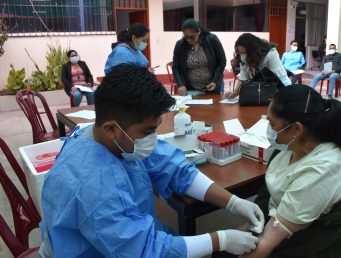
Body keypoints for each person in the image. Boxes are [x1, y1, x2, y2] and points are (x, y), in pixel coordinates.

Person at [39, 64, 264, 258]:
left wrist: (234, 202)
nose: (153, 138)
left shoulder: (112, 136)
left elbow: (174, 167)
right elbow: (144, 250)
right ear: (111, 129)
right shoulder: (94, 186)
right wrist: (220, 240)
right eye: (148, 130)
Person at [241, 85, 341, 258]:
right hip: (291, 226)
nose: (269, 130)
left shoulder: (322, 170)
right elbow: (268, 195)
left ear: (296, 129)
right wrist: (247, 226)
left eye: (271, 123)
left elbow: (267, 243)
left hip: (321, 245)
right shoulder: (296, 143)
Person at [224, 33, 291, 99]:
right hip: (262, 88)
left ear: (253, 50)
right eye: (240, 52)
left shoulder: (270, 53)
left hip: (281, 87)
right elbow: (243, 76)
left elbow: (277, 78)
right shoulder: (243, 54)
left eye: (244, 53)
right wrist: (235, 93)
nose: (243, 55)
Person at [172, 19, 226, 96]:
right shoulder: (180, 45)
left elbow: (222, 61)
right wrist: (180, 85)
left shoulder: (212, 40)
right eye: (186, 37)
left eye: (192, 37)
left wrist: (214, 81)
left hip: (212, 87)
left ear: (199, 32)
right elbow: (175, 67)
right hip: (190, 89)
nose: (189, 40)